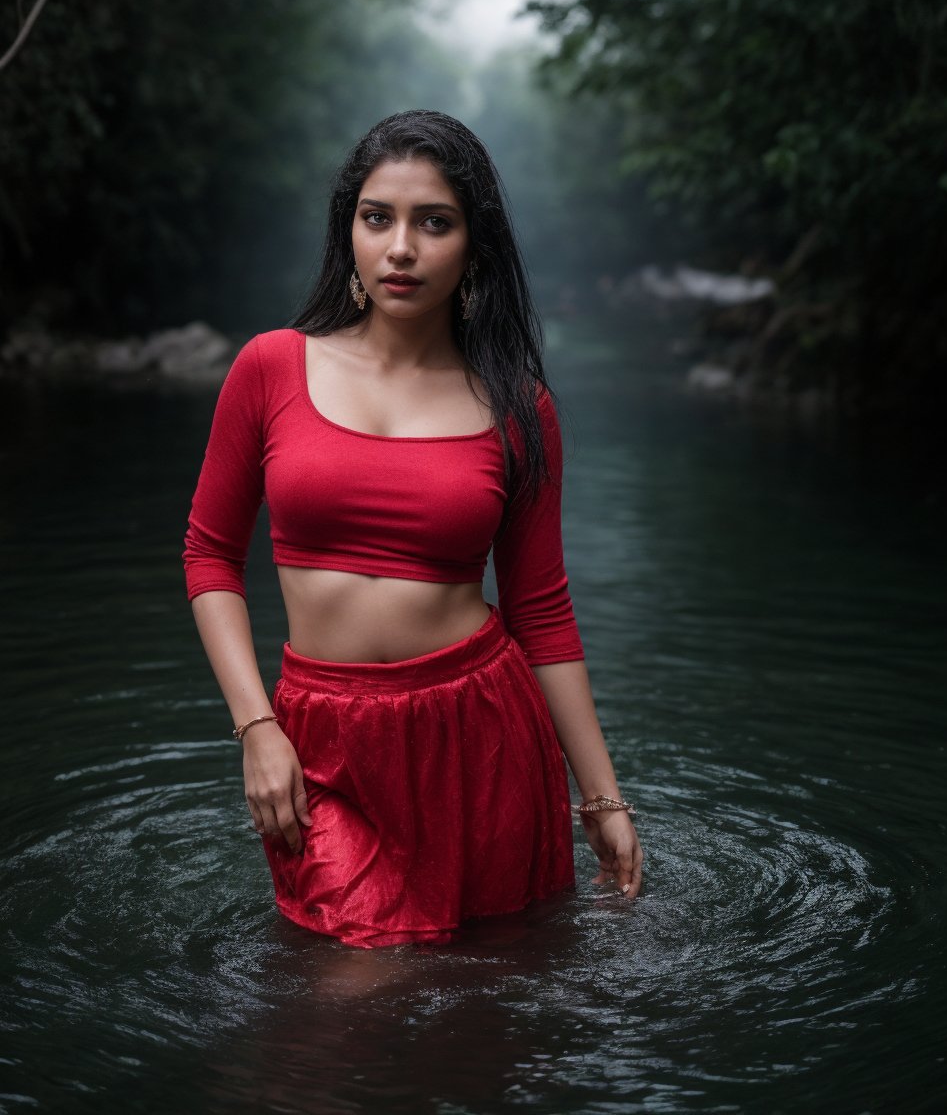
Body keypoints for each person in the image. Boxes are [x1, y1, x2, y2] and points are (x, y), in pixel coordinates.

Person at [183, 109, 642, 949]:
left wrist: (602, 800)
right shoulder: (270, 367)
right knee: (347, 1003)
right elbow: (210, 555)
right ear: (348, 232)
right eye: (377, 218)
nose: (401, 248)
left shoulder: (518, 407)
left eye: (434, 223)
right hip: (322, 739)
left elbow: (540, 612)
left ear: (473, 245)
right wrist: (258, 729)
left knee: (479, 1002)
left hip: (479, 733)